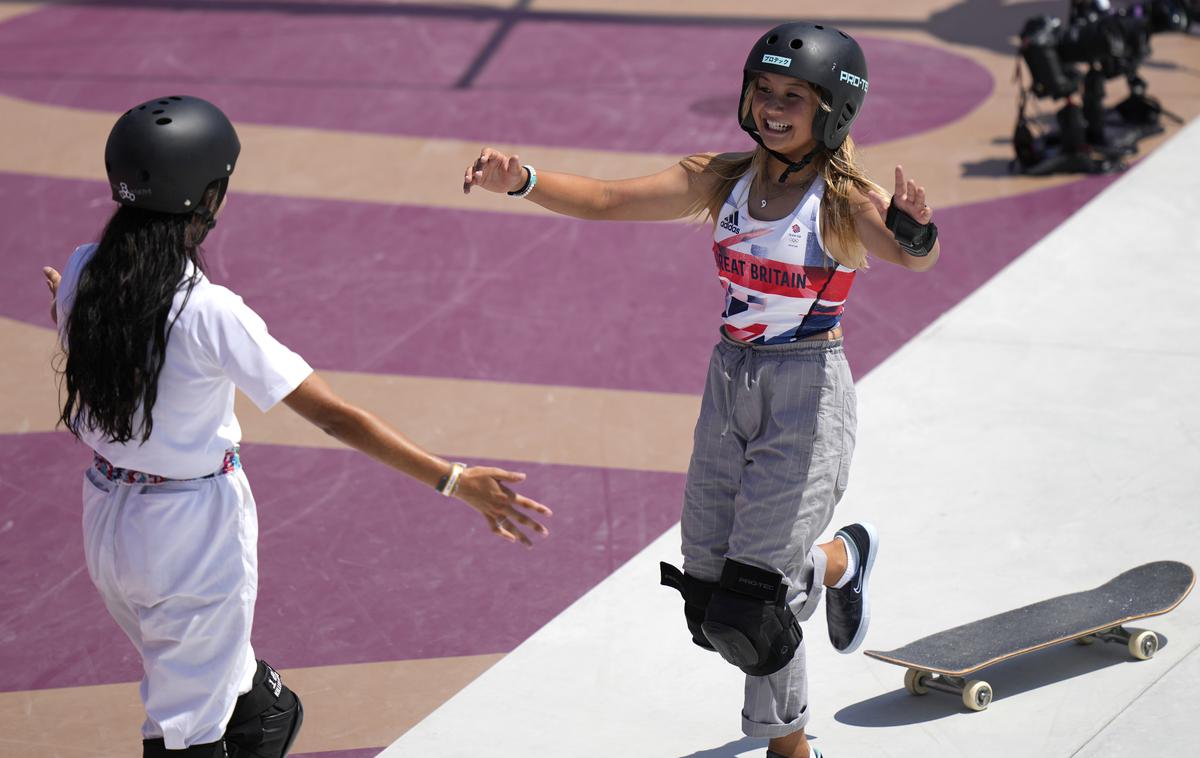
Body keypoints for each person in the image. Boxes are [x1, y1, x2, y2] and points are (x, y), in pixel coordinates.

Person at [462, 22, 939, 758]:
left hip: (807, 391)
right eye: (765, 89)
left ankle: (790, 745)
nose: (774, 106)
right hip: (729, 381)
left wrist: (913, 232)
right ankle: (839, 561)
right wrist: (520, 179)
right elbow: (605, 200)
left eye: (795, 96)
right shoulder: (725, 180)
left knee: (749, 611)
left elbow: (912, 257)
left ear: (834, 111)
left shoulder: (844, 199)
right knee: (712, 596)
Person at [41, 95, 552, 757]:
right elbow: (336, 416)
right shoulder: (209, 313)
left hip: (109, 518)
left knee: (228, 693)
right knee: (184, 730)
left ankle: (259, 717)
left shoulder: (83, 272)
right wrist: (454, 480)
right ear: (209, 197)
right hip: (188, 533)